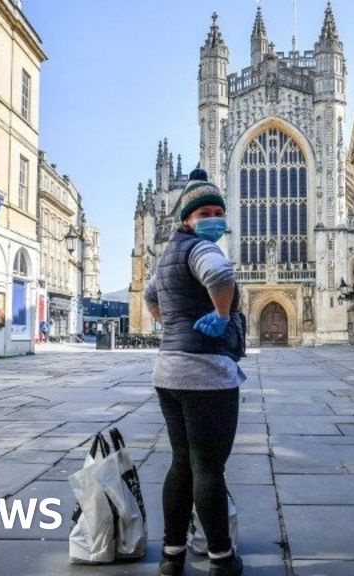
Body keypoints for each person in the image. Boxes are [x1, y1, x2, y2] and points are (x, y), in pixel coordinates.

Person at [144, 167, 246, 576]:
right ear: (187, 218)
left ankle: (171, 557)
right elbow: (220, 276)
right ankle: (221, 559)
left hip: (168, 372)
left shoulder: (170, 252)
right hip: (205, 372)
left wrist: (171, 325)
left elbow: (153, 296)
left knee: (181, 463)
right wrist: (221, 316)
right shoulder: (201, 250)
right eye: (204, 211)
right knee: (209, 469)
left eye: (217, 211)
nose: (213, 218)